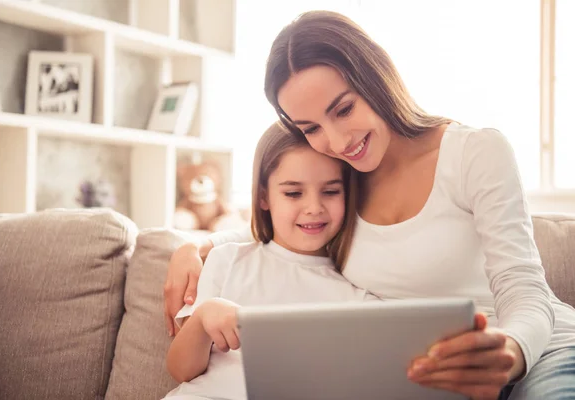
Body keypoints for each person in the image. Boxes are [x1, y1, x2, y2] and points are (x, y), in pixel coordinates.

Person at [164, 11, 575, 400]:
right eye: (311, 129)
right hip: (438, 375)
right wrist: (197, 246)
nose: (338, 141)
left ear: (376, 76)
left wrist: (511, 349)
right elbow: (287, 230)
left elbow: (524, 288)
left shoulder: (474, 152)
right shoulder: (343, 175)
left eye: (343, 109)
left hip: (538, 351)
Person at [163, 122, 377, 400]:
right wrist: (203, 317)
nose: (314, 207)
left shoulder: (356, 297)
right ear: (264, 196)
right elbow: (181, 371)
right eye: (293, 193)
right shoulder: (227, 260)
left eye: (331, 191)